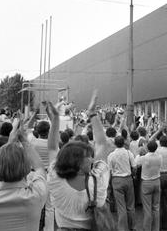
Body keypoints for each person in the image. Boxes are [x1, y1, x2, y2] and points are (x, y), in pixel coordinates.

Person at [46, 90, 112, 230]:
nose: (91, 159)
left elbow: (52, 148)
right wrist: (92, 113)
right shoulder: (96, 180)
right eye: (87, 156)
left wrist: (56, 119)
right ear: (77, 162)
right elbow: (102, 144)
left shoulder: (55, 178)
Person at [0, 118, 47, 231]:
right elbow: (39, 167)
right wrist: (23, 140)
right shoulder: (36, 196)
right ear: (27, 168)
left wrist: (9, 143)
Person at [108, 136, 136, 231]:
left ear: (115, 144)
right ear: (123, 143)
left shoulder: (111, 155)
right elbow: (134, 166)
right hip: (128, 179)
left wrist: (109, 182)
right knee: (130, 205)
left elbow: (109, 170)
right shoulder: (129, 153)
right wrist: (133, 175)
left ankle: (122, 228)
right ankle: (132, 226)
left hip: (116, 180)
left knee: (121, 207)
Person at [135, 140, 162, 231]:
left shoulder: (144, 157)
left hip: (146, 183)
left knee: (147, 208)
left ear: (147, 148)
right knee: (156, 207)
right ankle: (156, 228)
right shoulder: (159, 157)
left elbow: (136, 163)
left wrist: (140, 152)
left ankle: (147, 228)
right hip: (157, 181)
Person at [156, 135, 167, 230]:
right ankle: (165, 225)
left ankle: (157, 225)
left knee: (158, 202)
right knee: (166, 202)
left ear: (160, 142)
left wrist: (159, 131)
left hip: (158, 175)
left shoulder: (157, 150)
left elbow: (149, 140)